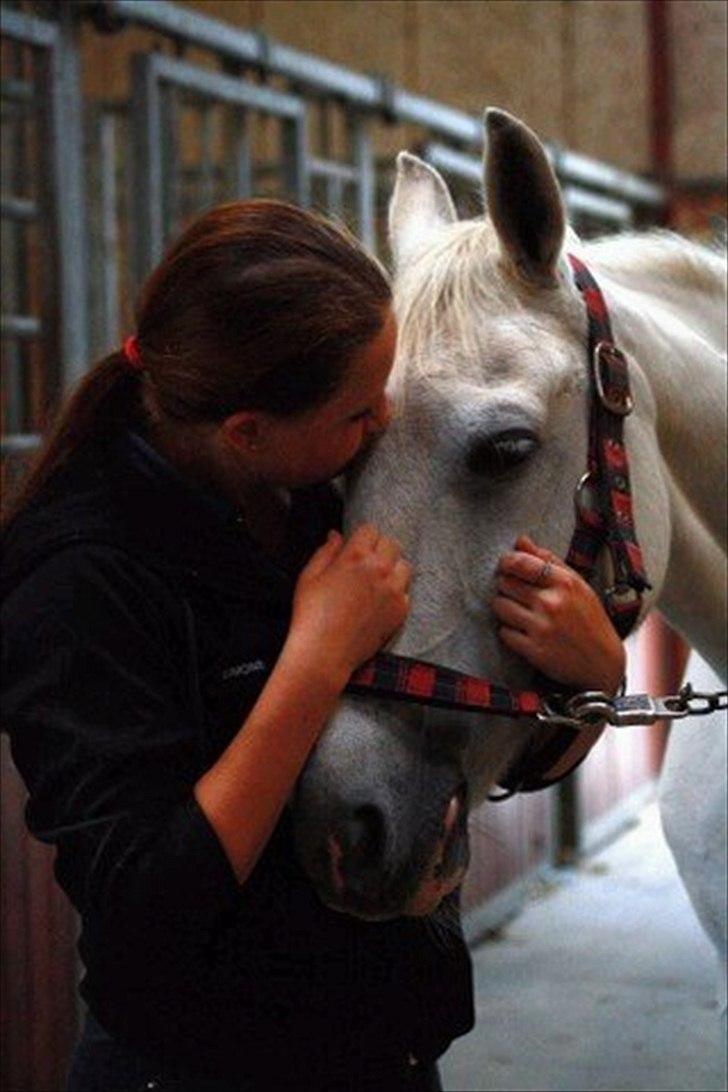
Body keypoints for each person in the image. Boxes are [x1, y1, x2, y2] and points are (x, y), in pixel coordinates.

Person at [1, 200, 625, 1092]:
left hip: (385, 1049)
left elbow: (466, 753)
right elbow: (145, 907)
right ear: (248, 431)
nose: (380, 428)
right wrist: (314, 661)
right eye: (358, 412)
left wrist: (593, 682)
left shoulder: (316, 499)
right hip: (202, 1067)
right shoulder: (78, 582)